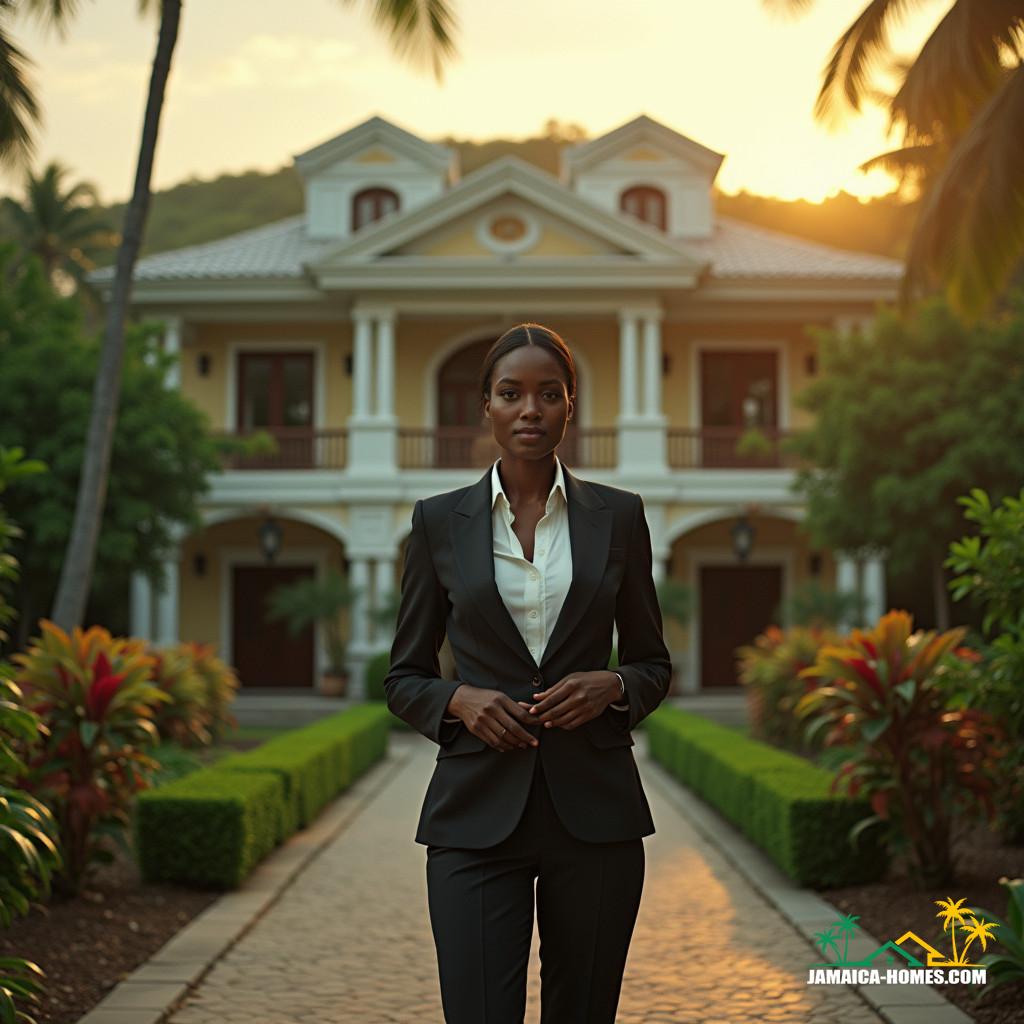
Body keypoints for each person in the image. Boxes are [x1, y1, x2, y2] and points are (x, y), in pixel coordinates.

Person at [384, 322, 672, 1024]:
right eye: (511, 393)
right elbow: (404, 678)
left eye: (549, 393)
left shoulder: (619, 517)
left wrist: (615, 685)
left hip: (596, 814)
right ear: (485, 404)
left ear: (571, 404)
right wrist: (459, 700)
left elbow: (652, 663)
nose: (530, 410)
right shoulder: (438, 523)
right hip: (474, 815)